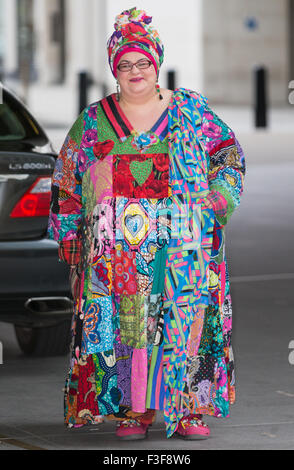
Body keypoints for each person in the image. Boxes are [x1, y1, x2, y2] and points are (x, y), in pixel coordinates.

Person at [48, 7, 245, 441]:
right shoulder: (92, 121)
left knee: (185, 320)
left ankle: (189, 407)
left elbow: (228, 155)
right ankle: (136, 410)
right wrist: (67, 236)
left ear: (156, 65)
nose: (134, 71)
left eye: (143, 62)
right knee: (131, 328)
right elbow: (66, 179)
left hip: (185, 246)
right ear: (113, 70)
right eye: (124, 64)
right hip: (119, 256)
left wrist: (217, 201)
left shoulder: (190, 110)